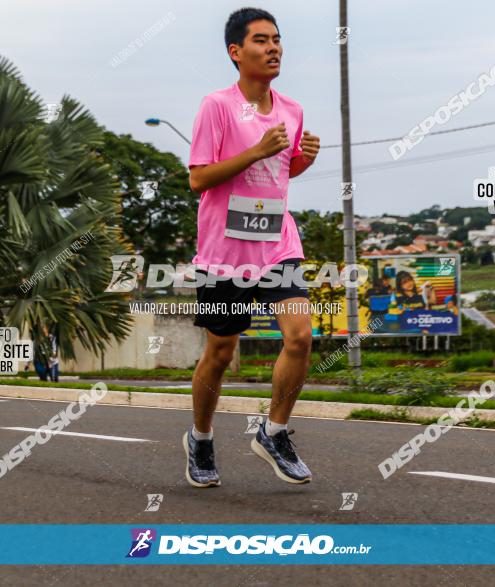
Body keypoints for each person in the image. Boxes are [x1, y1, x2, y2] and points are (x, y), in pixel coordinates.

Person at [182, 7, 320, 488]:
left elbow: (279, 176)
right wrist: (257, 149)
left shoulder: (292, 110)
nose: (274, 47)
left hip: (277, 243)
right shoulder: (216, 106)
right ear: (236, 53)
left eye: (278, 39)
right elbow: (199, 178)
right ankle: (200, 437)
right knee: (220, 352)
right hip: (225, 252)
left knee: (300, 335)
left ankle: (274, 431)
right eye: (261, 40)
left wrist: (299, 161)